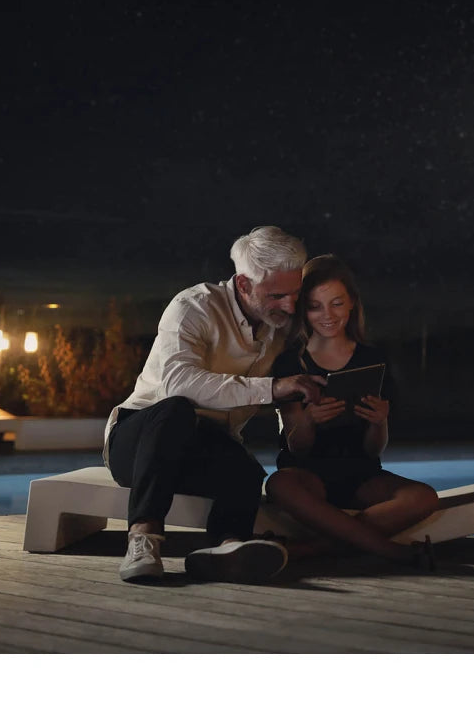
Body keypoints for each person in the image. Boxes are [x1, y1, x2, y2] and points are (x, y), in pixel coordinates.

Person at [105, 225, 325, 585]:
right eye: (275, 295)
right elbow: (179, 383)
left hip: (201, 445)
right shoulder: (193, 306)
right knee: (176, 409)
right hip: (140, 438)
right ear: (243, 284)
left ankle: (229, 549)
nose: (288, 305)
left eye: (294, 293)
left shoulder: (280, 323)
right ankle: (143, 541)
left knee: (247, 470)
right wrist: (274, 388)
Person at [266, 254, 439, 566]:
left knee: (424, 497)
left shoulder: (373, 359)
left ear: (352, 304)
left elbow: (373, 450)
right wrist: (307, 421)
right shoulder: (291, 363)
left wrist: (379, 423)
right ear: (304, 310)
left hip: (360, 475)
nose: (327, 315)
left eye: (336, 303)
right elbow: (297, 447)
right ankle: (393, 552)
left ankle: (304, 550)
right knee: (278, 484)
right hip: (308, 476)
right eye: (315, 306)